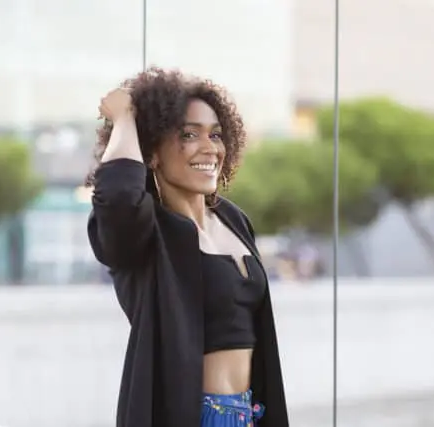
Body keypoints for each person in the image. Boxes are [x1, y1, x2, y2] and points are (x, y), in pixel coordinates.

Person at [85, 67, 289, 427]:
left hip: (250, 414)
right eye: (189, 134)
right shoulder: (144, 234)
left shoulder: (233, 220)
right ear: (152, 153)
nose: (210, 148)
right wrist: (126, 117)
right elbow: (117, 196)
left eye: (216, 134)